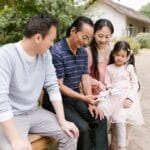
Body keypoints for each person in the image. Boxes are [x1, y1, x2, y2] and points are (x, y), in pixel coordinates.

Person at [0, 13, 79, 150]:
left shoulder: (45, 56)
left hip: (34, 112)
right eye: (51, 40)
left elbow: (53, 87)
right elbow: (1, 100)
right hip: (12, 117)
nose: (52, 44)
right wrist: (16, 140)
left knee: (70, 134)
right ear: (38, 37)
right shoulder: (6, 55)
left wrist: (63, 121)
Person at [42, 16, 108, 150]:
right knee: (82, 128)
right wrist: (84, 98)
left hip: (75, 98)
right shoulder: (57, 52)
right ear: (73, 31)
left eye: (89, 38)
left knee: (100, 119)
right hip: (57, 101)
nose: (86, 42)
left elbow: (85, 77)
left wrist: (90, 103)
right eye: (84, 37)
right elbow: (59, 86)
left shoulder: (83, 52)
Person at [98, 41, 144, 150]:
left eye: (123, 56)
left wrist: (130, 98)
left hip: (125, 99)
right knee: (102, 112)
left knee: (120, 120)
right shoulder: (109, 68)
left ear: (127, 56)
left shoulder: (129, 68)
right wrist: (110, 87)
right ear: (113, 54)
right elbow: (107, 82)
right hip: (114, 96)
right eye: (117, 55)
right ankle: (104, 142)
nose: (119, 58)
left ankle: (122, 146)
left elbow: (135, 85)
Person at [86, 19, 114, 95]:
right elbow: (84, 76)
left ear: (111, 35)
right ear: (94, 33)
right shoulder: (88, 52)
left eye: (107, 37)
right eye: (100, 36)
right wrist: (97, 83)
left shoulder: (114, 50)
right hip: (95, 93)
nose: (103, 40)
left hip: (112, 91)